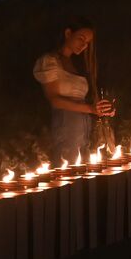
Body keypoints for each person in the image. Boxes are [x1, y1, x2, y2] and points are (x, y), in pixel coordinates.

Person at [33, 16, 115, 167]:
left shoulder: (78, 64)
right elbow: (54, 99)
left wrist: (103, 109)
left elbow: (87, 100)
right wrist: (90, 108)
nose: (83, 45)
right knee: (69, 171)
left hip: (84, 127)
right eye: (80, 39)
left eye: (87, 43)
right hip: (66, 127)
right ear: (68, 33)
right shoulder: (50, 61)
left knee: (84, 170)